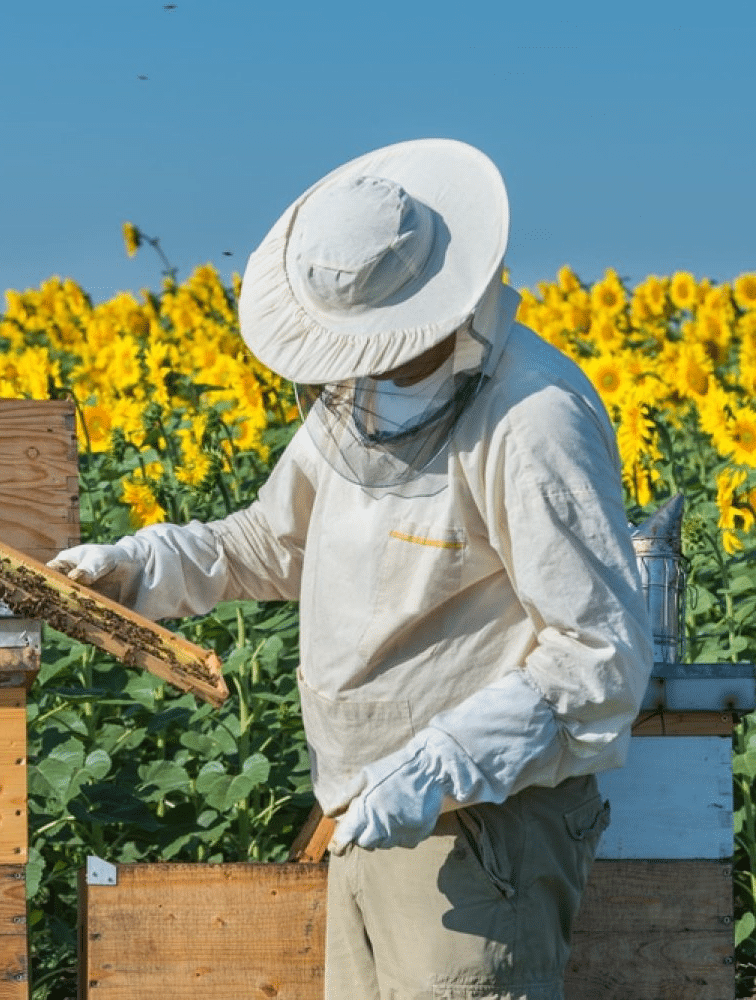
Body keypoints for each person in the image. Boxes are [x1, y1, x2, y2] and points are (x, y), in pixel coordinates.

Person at [48, 138, 654, 999]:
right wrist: (137, 567)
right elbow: (272, 540)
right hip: (363, 812)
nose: (354, 369)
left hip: (484, 829)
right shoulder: (362, 394)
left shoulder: (534, 420)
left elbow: (600, 657)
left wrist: (440, 763)